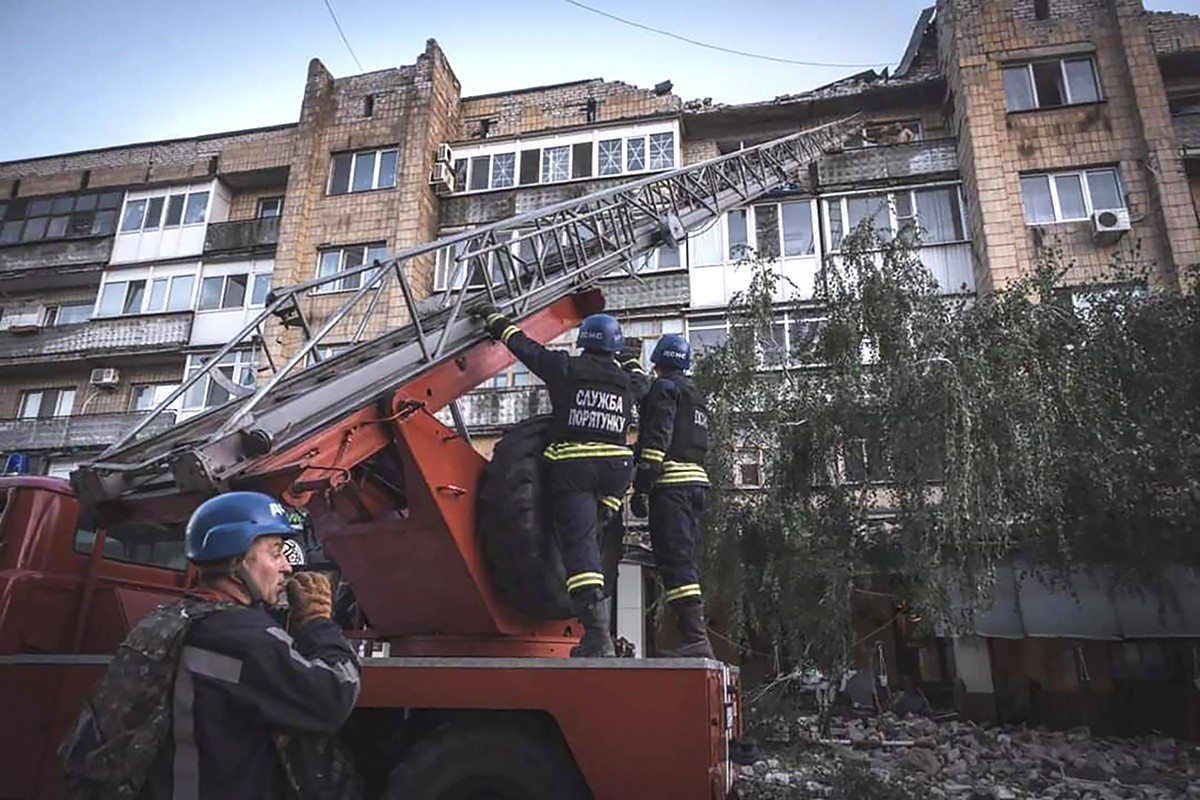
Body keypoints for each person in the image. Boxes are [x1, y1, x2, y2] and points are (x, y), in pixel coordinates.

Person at [61, 491, 361, 800]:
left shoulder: (165, 619)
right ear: (237, 560)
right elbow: (331, 698)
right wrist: (317, 623)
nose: (287, 566)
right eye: (275, 552)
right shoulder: (241, 635)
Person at [474, 304, 648, 657]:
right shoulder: (627, 382)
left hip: (576, 469)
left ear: (583, 342)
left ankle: (597, 635)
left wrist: (495, 321)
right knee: (598, 531)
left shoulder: (566, 368)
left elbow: (524, 347)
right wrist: (630, 359)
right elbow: (643, 382)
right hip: (616, 472)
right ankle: (607, 515)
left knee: (579, 545)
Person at [630, 334, 716, 658]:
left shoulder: (665, 389)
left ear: (658, 361)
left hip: (671, 486)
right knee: (683, 559)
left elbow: (657, 437)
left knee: (674, 561)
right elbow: (650, 400)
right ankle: (692, 636)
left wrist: (641, 486)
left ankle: (695, 637)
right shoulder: (694, 395)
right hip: (696, 485)